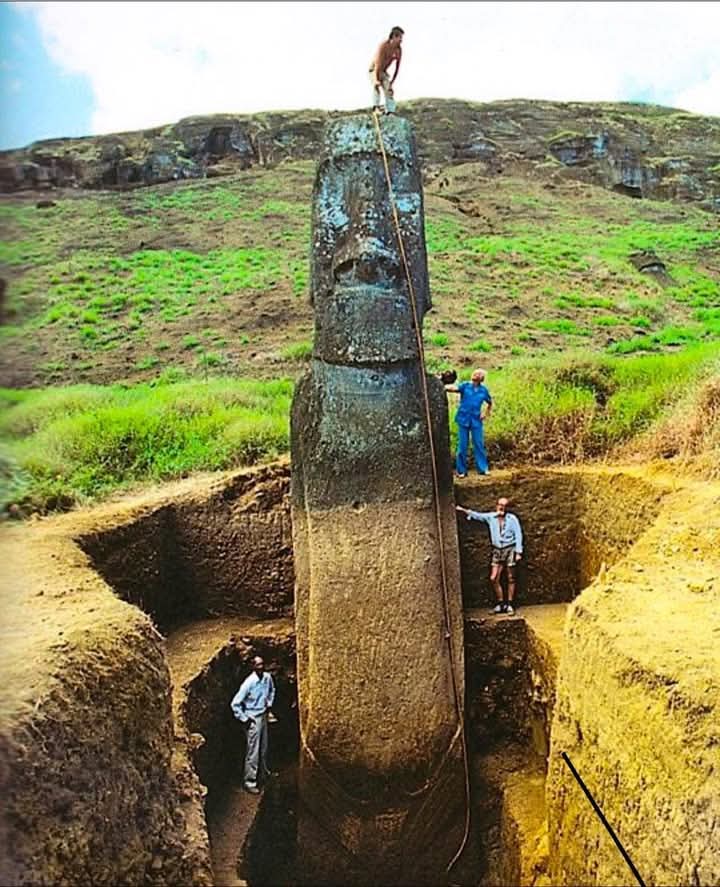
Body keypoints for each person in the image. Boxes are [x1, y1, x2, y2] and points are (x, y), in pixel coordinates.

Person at [456, 497, 523, 615]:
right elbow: (478, 516)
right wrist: (463, 510)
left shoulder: (512, 519)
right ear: (496, 506)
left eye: (505, 505)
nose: (502, 507)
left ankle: (510, 604)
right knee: (494, 578)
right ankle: (501, 603)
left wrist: (518, 552)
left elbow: (518, 534)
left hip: (510, 549)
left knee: (511, 577)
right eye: (500, 505)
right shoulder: (491, 517)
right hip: (497, 550)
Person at [230, 655, 276, 794]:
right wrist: (245, 719)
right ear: (253, 666)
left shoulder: (267, 678)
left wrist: (269, 704)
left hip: (263, 716)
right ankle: (250, 782)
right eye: (258, 665)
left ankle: (263, 774)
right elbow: (235, 704)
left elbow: (272, 690)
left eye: (262, 664)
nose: (261, 667)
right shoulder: (248, 683)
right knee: (253, 752)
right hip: (252, 718)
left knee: (263, 747)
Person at [445, 368, 493, 477]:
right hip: (463, 419)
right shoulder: (465, 385)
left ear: (481, 378)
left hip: (476, 420)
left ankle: (483, 469)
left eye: (478, 374)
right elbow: (454, 388)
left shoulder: (483, 390)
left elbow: (489, 402)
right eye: (474, 373)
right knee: (462, 445)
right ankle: (461, 471)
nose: (475, 375)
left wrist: (485, 413)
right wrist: (443, 386)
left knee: (479, 444)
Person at [369, 26, 403, 114]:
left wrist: (392, 82)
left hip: (383, 71)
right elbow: (377, 63)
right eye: (399, 37)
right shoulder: (383, 46)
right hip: (374, 69)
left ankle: (391, 110)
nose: (401, 40)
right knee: (376, 86)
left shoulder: (398, 50)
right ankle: (376, 107)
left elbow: (397, 67)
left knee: (388, 90)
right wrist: (376, 79)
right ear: (394, 37)